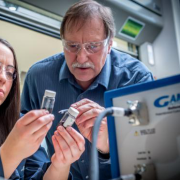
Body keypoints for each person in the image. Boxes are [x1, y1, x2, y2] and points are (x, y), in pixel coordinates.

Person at [21, 0, 154, 179]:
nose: (81, 58)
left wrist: (109, 145)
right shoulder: (38, 77)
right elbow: (26, 140)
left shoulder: (136, 78)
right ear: (62, 42)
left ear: (109, 45)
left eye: (93, 46)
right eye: (72, 46)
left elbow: (150, 150)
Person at [0, 37, 85, 180]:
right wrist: (10, 153)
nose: (3, 77)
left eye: (9, 72)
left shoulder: (19, 124)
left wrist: (60, 164)